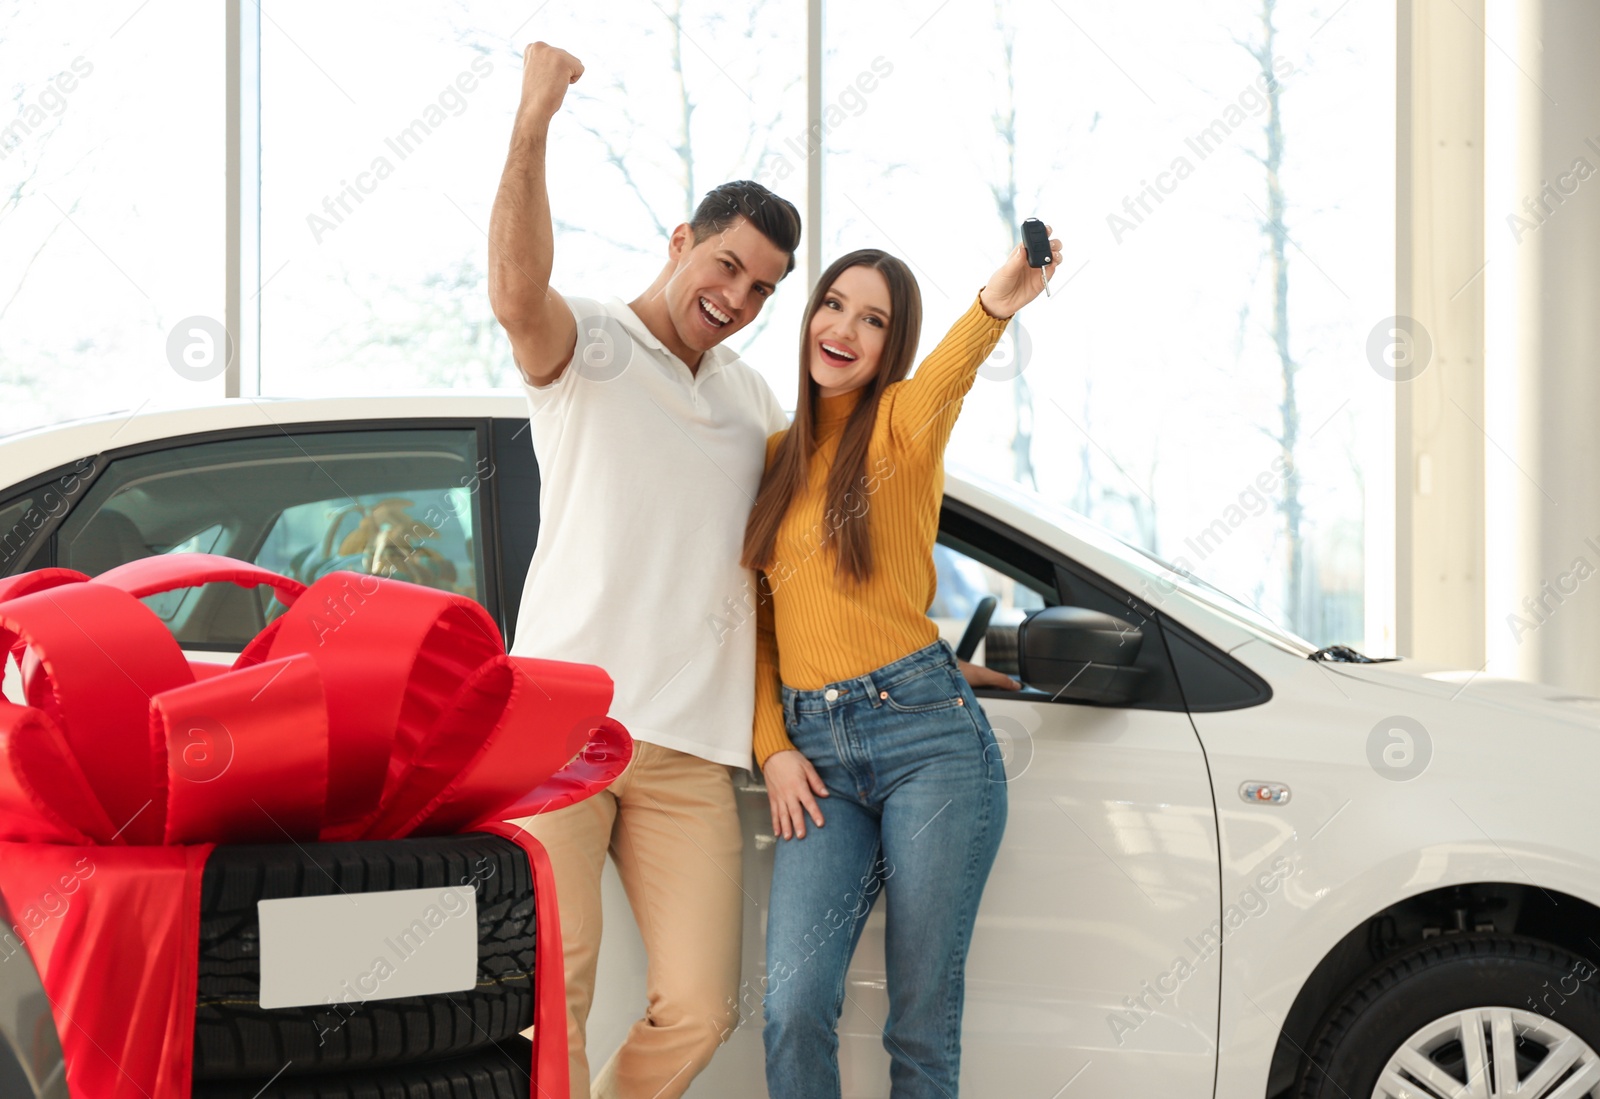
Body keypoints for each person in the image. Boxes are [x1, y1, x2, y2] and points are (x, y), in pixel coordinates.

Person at [487, 42, 802, 1098]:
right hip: (560, 729)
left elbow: (804, 551)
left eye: (760, 288)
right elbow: (516, 290)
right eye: (726, 266)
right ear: (682, 241)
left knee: (704, 1006)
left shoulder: (752, 398)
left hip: (687, 754)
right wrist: (535, 118)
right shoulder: (592, 348)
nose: (737, 296)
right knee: (551, 998)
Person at [745, 235, 1060, 1098]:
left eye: (874, 319)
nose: (844, 327)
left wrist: (999, 297)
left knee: (919, 1022)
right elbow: (761, 630)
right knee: (793, 1004)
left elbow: (955, 369)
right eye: (834, 304)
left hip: (928, 741)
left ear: (894, 346)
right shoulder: (773, 460)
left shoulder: (899, 429)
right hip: (817, 757)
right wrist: (773, 743)